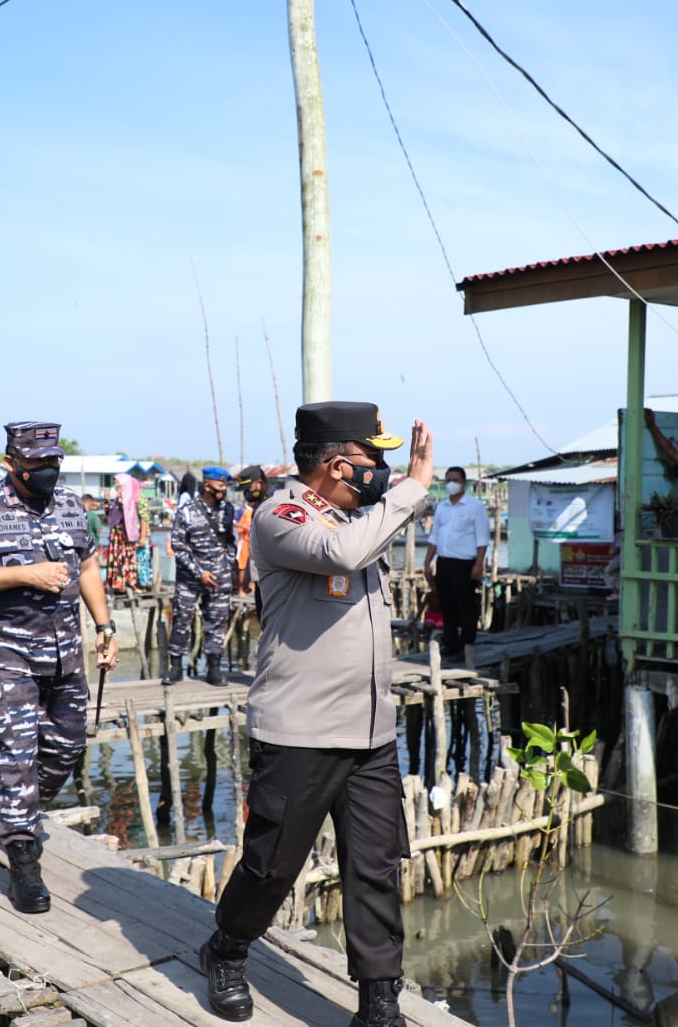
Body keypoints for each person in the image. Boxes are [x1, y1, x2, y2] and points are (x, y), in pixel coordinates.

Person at [205, 402, 431, 1027]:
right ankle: (226, 949)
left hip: (370, 731)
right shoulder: (282, 514)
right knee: (272, 864)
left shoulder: (357, 515)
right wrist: (411, 487)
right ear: (337, 464)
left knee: (376, 867)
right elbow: (341, 555)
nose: (383, 470)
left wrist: (399, 493)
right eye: (373, 460)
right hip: (301, 731)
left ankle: (379, 999)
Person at [0, 421, 118, 914]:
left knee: (66, 747)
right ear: (12, 462)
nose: (47, 471)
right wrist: (25, 574)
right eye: (37, 463)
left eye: (54, 462)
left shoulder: (70, 505)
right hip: (6, 653)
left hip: (65, 651)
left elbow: (87, 566)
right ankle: (23, 858)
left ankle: (16, 805)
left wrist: (104, 627)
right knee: (15, 753)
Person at [167, 466, 237, 685]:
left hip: (219, 576)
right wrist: (199, 573)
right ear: (207, 486)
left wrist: (228, 564)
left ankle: (214, 668)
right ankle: (176, 666)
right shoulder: (186, 510)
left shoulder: (227, 509)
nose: (223, 491)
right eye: (220, 486)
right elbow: (178, 546)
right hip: (191, 577)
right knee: (182, 620)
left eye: (225, 486)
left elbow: (229, 541)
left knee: (217, 622)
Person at [422, 466, 490, 662]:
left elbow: (482, 538)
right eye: (448, 479)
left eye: (456, 479)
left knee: (466, 605)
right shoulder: (442, 507)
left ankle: (466, 644)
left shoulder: (474, 506)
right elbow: (434, 537)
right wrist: (427, 562)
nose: (451, 483)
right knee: (447, 604)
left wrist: (479, 564)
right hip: (444, 562)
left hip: (465, 564)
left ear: (463, 483)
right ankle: (450, 643)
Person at [103, 473, 149, 595]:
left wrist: (143, 536)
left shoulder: (135, 499)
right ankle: (116, 584)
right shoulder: (118, 498)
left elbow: (143, 518)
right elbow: (110, 516)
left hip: (127, 536)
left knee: (128, 559)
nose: (115, 484)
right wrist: (107, 500)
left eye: (117, 482)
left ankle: (130, 583)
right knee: (116, 559)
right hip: (116, 536)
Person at [233, 466, 268, 596]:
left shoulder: (271, 502)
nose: (247, 492)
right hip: (257, 571)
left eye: (248, 488)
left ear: (259, 483)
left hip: (268, 575)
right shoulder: (258, 503)